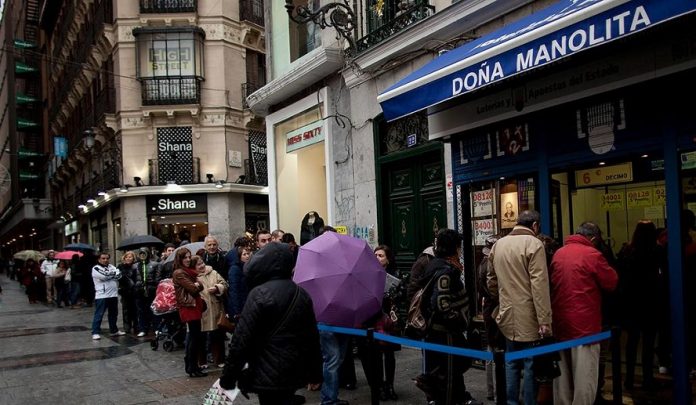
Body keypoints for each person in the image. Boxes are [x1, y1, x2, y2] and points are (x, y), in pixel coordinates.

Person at [219, 242, 323, 405]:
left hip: (265, 370)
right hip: (294, 369)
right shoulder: (301, 294)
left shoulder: (259, 294)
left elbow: (241, 340)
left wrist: (228, 377)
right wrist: (315, 372)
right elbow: (311, 338)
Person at [550, 222, 618, 404]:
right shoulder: (593, 255)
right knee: (585, 380)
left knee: (562, 380)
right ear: (594, 239)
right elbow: (611, 282)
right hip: (585, 327)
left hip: (560, 324)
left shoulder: (559, 253)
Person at [488, 210, 551, 405]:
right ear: (535, 226)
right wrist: (545, 320)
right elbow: (539, 285)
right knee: (530, 363)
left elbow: (490, 280)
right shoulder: (534, 244)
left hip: (506, 313)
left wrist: (502, 296)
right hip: (530, 314)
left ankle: (511, 402)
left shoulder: (498, 245)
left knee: (511, 361)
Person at [419, 229, 481, 405]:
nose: (460, 251)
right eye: (459, 247)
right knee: (449, 372)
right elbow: (441, 303)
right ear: (454, 248)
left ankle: (455, 397)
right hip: (445, 333)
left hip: (437, 332)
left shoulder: (435, 265)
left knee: (446, 371)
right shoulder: (445, 271)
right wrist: (458, 320)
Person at [617, 220, 661, 390]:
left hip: (631, 303)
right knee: (648, 344)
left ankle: (628, 378)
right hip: (650, 302)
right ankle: (648, 378)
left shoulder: (627, 251)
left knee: (632, 343)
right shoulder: (656, 252)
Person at [172, 249, 207, 377]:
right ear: (179, 259)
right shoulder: (179, 273)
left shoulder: (188, 272)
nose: (187, 259)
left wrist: (198, 284)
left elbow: (199, 286)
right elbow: (193, 288)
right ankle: (191, 367)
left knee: (195, 337)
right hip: (188, 306)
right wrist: (197, 284)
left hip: (194, 305)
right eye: (184, 257)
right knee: (194, 337)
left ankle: (193, 366)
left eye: (188, 257)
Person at [477, 234, 501, 401]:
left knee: (491, 348)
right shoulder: (490, 264)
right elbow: (491, 288)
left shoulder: (481, 263)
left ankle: (491, 390)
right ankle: (498, 390)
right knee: (497, 349)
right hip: (495, 307)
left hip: (487, 308)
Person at [194, 255, 228, 368]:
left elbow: (224, 284)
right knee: (200, 337)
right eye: (198, 264)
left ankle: (219, 360)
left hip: (216, 308)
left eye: (202, 262)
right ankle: (202, 361)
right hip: (202, 311)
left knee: (217, 335)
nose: (202, 265)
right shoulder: (192, 277)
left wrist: (218, 288)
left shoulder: (213, 272)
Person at [91, 252, 126, 340]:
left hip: (113, 294)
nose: (105, 260)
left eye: (107, 258)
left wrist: (112, 274)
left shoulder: (111, 266)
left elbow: (119, 275)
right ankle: (95, 332)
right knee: (99, 314)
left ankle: (114, 330)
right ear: (99, 259)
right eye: (103, 258)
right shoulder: (95, 268)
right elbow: (104, 276)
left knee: (113, 314)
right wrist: (113, 275)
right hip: (102, 295)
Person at [134, 248, 158, 337]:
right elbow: (134, 278)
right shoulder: (135, 266)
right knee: (141, 311)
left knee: (153, 310)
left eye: (144, 254)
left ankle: (156, 328)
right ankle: (143, 329)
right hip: (139, 291)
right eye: (141, 254)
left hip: (151, 290)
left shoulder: (155, 264)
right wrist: (136, 286)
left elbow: (157, 278)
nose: (142, 256)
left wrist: (151, 284)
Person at [117, 251, 138, 334]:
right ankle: (127, 327)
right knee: (126, 310)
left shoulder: (135, 266)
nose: (128, 258)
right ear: (124, 258)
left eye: (130, 257)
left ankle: (136, 326)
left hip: (134, 291)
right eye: (127, 257)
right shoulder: (120, 267)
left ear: (133, 258)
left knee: (135, 310)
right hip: (124, 291)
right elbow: (119, 278)